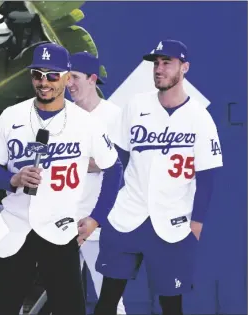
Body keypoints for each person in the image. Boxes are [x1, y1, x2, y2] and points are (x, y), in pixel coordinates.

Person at [0, 42, 123, 315]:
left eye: (52, 75)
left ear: (67, 77)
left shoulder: (87, 123)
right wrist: (12, 180)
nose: (43, 82)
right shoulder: (12, 117)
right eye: (37, 74)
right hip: (16, 226)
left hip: (60, 230)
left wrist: (97, 217)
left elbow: (114, 168)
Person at [93, 39, 223, 315]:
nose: (159, 69)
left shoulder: (199, 117)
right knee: (107, 302)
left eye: (167, 63)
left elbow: (207, 176)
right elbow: (118, 162)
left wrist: (196, 224)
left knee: (171, 306)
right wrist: (106, 208)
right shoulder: (136, 105)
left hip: (172, 222)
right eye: (156, 63)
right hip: (127, 216)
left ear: (184, 67)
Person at [67, 51, 126, 314]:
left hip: (99, 226)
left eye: (75, 77)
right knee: (61, 298)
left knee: (110, 301)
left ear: (92, 79)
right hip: (62, 224)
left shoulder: (115, 116)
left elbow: (117, 166)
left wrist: (80, 161)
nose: (69, 84)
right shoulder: (62, 116)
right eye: (67, 78)